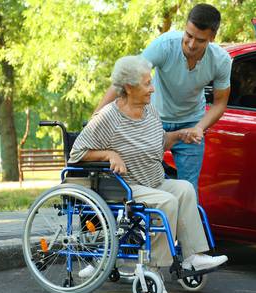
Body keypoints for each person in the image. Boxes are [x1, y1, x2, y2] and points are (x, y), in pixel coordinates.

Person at [69, 55, 228, 293]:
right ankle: (153, 269)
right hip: (126, 187)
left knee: (185, 188)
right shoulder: (107, 118)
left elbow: (159, 140)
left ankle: (193, 256)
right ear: (129, 87)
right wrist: (109, 153)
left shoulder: (148, 110)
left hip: (152, 180)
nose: (152, 88)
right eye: (146, 84)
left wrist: (180, 135)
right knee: (167, 201)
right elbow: (76, 154)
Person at [95, 3, 231, 198]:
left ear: (212, 37)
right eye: (188, 35)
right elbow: (128, 79)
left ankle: (180, 228)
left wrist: (200, 127)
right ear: (185, 27)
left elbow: (220, 103)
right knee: (143, 183)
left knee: (189, 189)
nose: (192, 44)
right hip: (153, 121)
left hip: (191, 122)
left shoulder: (221, 61)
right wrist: (97, 116)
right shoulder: (165, 45)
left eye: (200, 40)